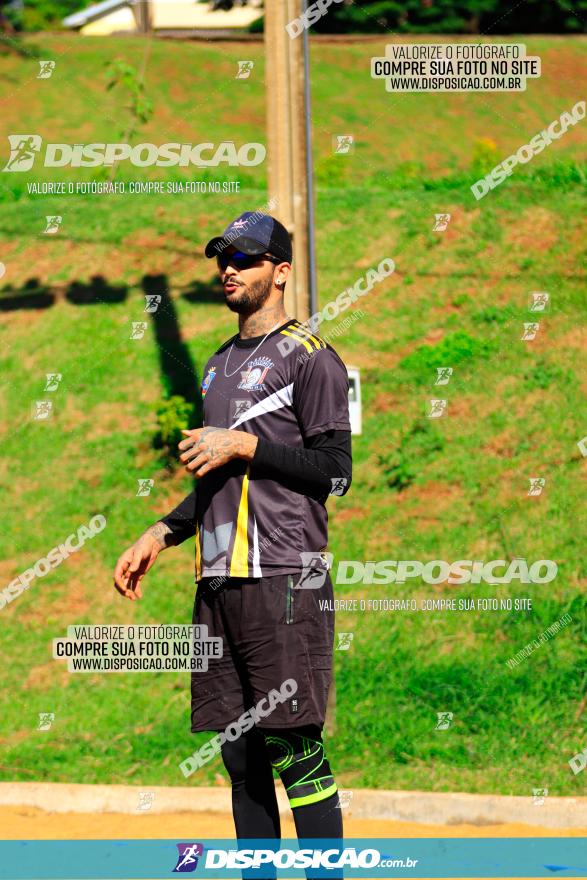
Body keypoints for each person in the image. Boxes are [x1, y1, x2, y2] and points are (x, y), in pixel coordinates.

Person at [113, 212, 352, 857]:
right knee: (240, 753)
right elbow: (221, 477)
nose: (229, 269)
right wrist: (162, 532)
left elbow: (335, 470)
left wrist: (243, 444)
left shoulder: (311, 357)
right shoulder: (217, 365)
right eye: (223, 258)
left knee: (295, 746)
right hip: (218, 581)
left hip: (283, 575)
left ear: (280, 272)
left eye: (245, 259)